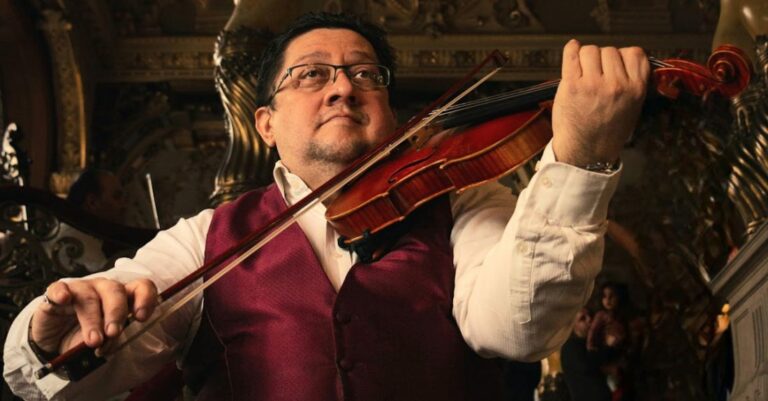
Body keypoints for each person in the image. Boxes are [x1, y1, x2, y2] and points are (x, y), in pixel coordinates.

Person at [3, 12, 650, 401]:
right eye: (312, 74)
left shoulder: (465, 200)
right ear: (265, 124)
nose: (343, 86)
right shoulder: (206, 239)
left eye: (366, 74)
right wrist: (52, 328)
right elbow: (70, 360)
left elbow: (517, 327)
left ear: (390, 113)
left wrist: (578, 159)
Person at [44, 169, 128, 274]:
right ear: (92, 202)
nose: (124, 206)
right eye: (117, 197)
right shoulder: (74, 237)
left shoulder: (84, 233)